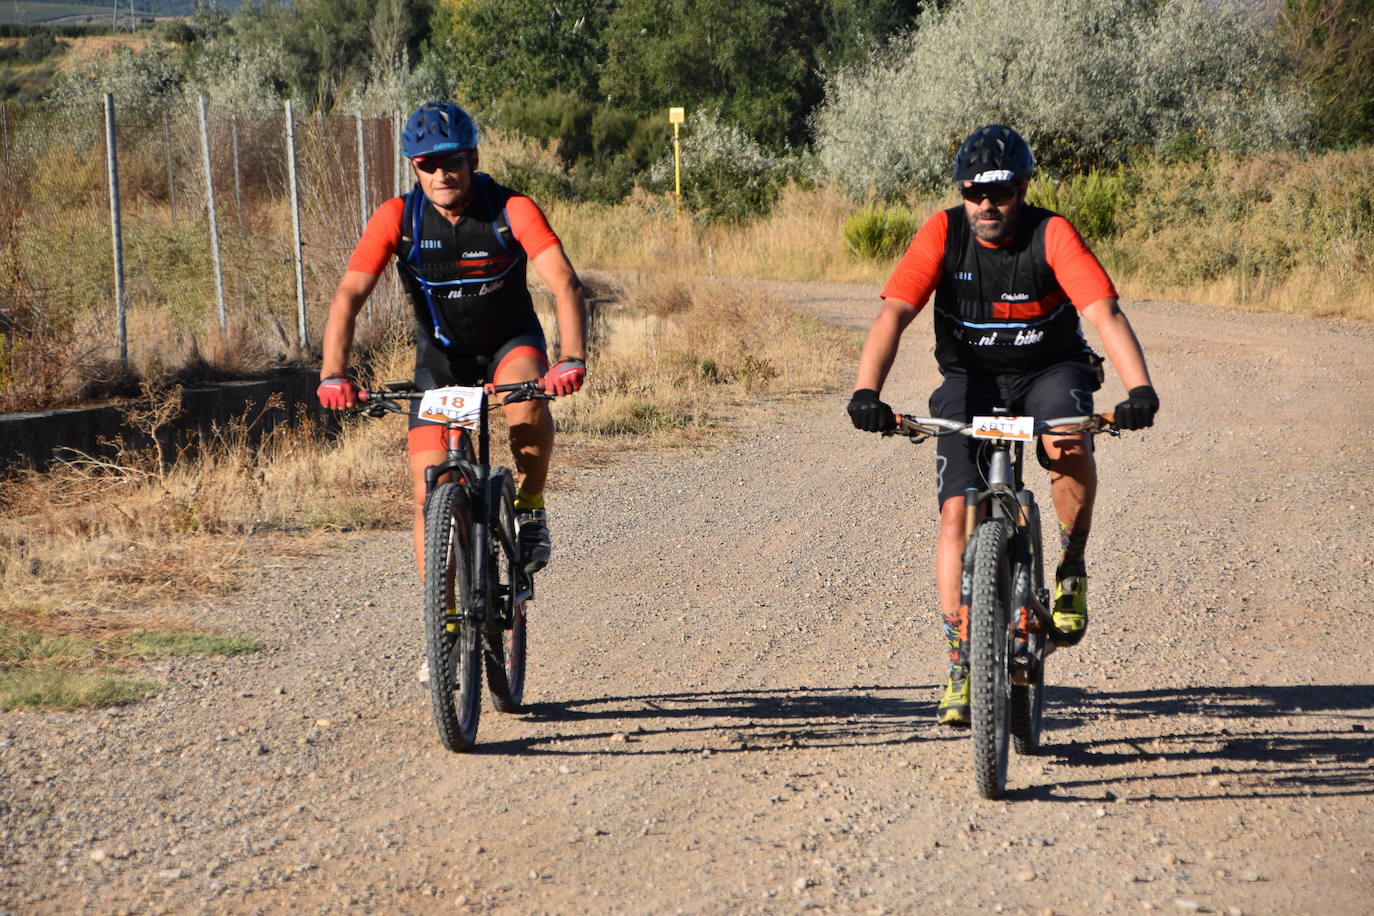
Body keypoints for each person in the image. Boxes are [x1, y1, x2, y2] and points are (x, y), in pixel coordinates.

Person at [846, 124, 1159, 727]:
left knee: (1066, 437)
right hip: (970, 379)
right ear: (962, 192)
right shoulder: (943, 232)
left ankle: (1069, 566)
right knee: (955, 515)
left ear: (1022, 189)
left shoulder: (1052, 233)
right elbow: (893, 314)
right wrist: (867, 392)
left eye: (1002, 192)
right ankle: (963, 661)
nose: (988, 205)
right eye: (975, 193)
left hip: (1049, 368)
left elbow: (1104, 312)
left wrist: (1139, 389)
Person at [317, 100, 588, 577]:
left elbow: (564, 282)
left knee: (525, 405)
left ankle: (530, 507)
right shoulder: (398, 220)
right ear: (415, 168)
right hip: (442, 358)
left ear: (474, 160)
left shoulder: (511, 210)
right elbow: (348, 296)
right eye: (428, 165)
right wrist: (333, 373)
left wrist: (571, 359)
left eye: (452, 161)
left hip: (510, 343)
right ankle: (441, 634)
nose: (441, 174)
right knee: (429, 490)